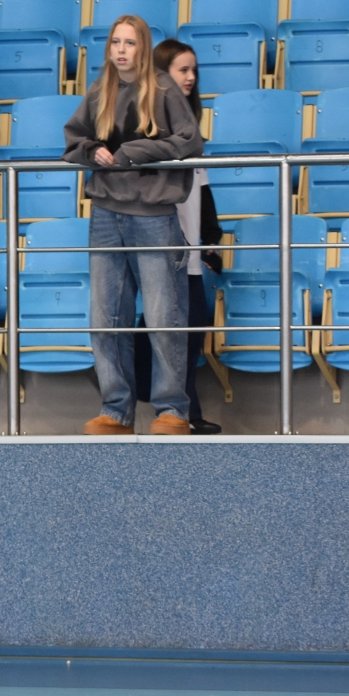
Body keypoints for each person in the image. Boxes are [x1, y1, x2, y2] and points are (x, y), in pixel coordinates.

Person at [63, 16, 203, 437]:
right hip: (106, 213)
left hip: (154, 215)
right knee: (106, 317)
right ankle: (116, 411)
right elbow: (73, 139)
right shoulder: (100, 89)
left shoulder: (164, 88)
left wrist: (133, 152)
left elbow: (190, 140)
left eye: (129, 43)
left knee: (163, 316)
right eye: (115, 43)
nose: (121, 50)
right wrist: (92, 150)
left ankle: (172, 410)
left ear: (142, 48)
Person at [136, 40, 223, 435]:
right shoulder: (152, 127)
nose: (190, 78)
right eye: (181, 70)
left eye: (193, 71)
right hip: (164, 245)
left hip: (190, 249)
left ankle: (183, 411)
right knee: (174, 332)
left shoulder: (190, 127)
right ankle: (181, 413)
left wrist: (209, 242)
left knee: (188, 334)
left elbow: (202, 191)